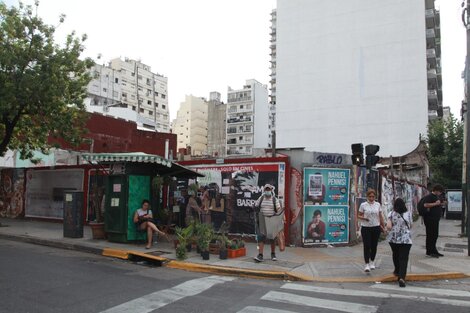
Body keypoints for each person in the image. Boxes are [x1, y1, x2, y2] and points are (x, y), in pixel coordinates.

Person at [253, 184, 283, 262]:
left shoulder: (274, 199)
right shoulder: (261, 198)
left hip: (271, 219)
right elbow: (256, 206)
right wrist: (255, 208)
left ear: (271, 190)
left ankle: (273, 254)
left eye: (269, 189)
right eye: (266, 189)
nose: (267, 191)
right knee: (261, 238)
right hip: (262, 220)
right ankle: (260, 255)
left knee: (272, 238)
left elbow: (278, 209)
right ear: (264, 190)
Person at [386, 198, 412, 288]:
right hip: (406, 239)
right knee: (404, 258)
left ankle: (397, 270)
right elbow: (411, 225)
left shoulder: (391, 213)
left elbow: (388, 226)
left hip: (394, 239)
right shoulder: (408, 213)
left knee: (396, 255)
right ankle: (402, 277)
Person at [357, 189, 385, 272]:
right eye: (370, 196)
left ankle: (372, 261)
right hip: (366, 227)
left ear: (375, 197)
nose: (371, 198)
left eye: (373, 196)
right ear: (367, 197)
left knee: (374, 246)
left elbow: (380, 216)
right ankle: (366, 264)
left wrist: (383, 226)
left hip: (376, 227)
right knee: (367, 246)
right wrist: (364, 218)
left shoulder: (378, 204)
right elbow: (358, 215)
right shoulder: (363, 205)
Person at [421, 184, 445, 258]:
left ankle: (434, 250)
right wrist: (436, 203)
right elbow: (425, 205)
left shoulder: (436, 197)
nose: (440, 193)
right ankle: (429, 251)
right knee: (430, 235)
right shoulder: (429, 196)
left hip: (435, 219)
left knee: (435, 235)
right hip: (430, 219)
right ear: (437, 190)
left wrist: (440, 204)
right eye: (440, 192)